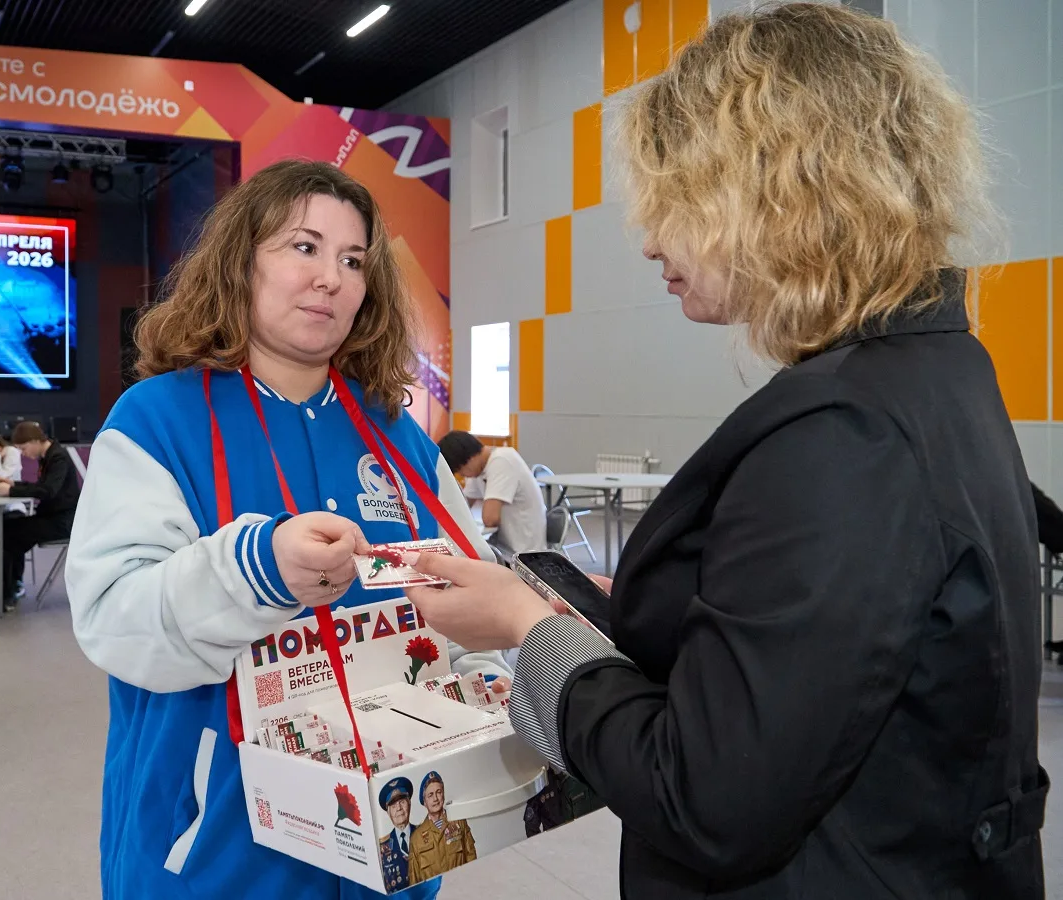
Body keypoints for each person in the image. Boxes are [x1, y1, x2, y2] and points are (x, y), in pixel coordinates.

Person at [401, 6, 1046, 898]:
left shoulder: (844, 434)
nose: (649, 241)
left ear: (774, 192)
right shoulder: (939, 367)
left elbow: (706, 798)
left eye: (673, 203)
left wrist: (529, 630)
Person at [64, 159, 508, 900]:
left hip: (388, 853)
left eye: (353, 260)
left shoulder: (400, 438)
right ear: (242, 263)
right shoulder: (157, 421)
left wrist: (493, 668)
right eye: (304, 247)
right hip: (215, 859)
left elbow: (461, 594)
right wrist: (257, 568)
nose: (330, 277)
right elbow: (114, 618)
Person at [0, 421, 78, 607]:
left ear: (34, 441)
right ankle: (7, 589)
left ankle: (3, 595)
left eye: (23, 448)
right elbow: (42, 487)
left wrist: (10, 491)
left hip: (62, 522)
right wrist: (14, 484)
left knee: (7, 535)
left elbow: (48, 491)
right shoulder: (49, 456)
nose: (23, 454)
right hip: (52, 517)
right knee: (6, 530)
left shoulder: (58, 458)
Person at [437, 431, 546, 557]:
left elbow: (490, 519)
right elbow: (462, 506)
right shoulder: (479, 467)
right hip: (505, 547)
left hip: (524, 554)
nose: (463, 475)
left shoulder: (502, 460)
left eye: (460, 471)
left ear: (468, 459)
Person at [407, 772, 476, 885]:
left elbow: (472, 859)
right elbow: (414, 883)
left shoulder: (459, 821)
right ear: (424, 802)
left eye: (438, 792)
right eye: (430, 795)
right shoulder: (416, 839)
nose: (435, 798)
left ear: (443, 794)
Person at [378, 777, 415, 892]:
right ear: (388, 812)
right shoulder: (382, 847)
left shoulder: (424, 834)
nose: (399, 808)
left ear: (409, 803)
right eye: (393, 806)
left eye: (402, 802)